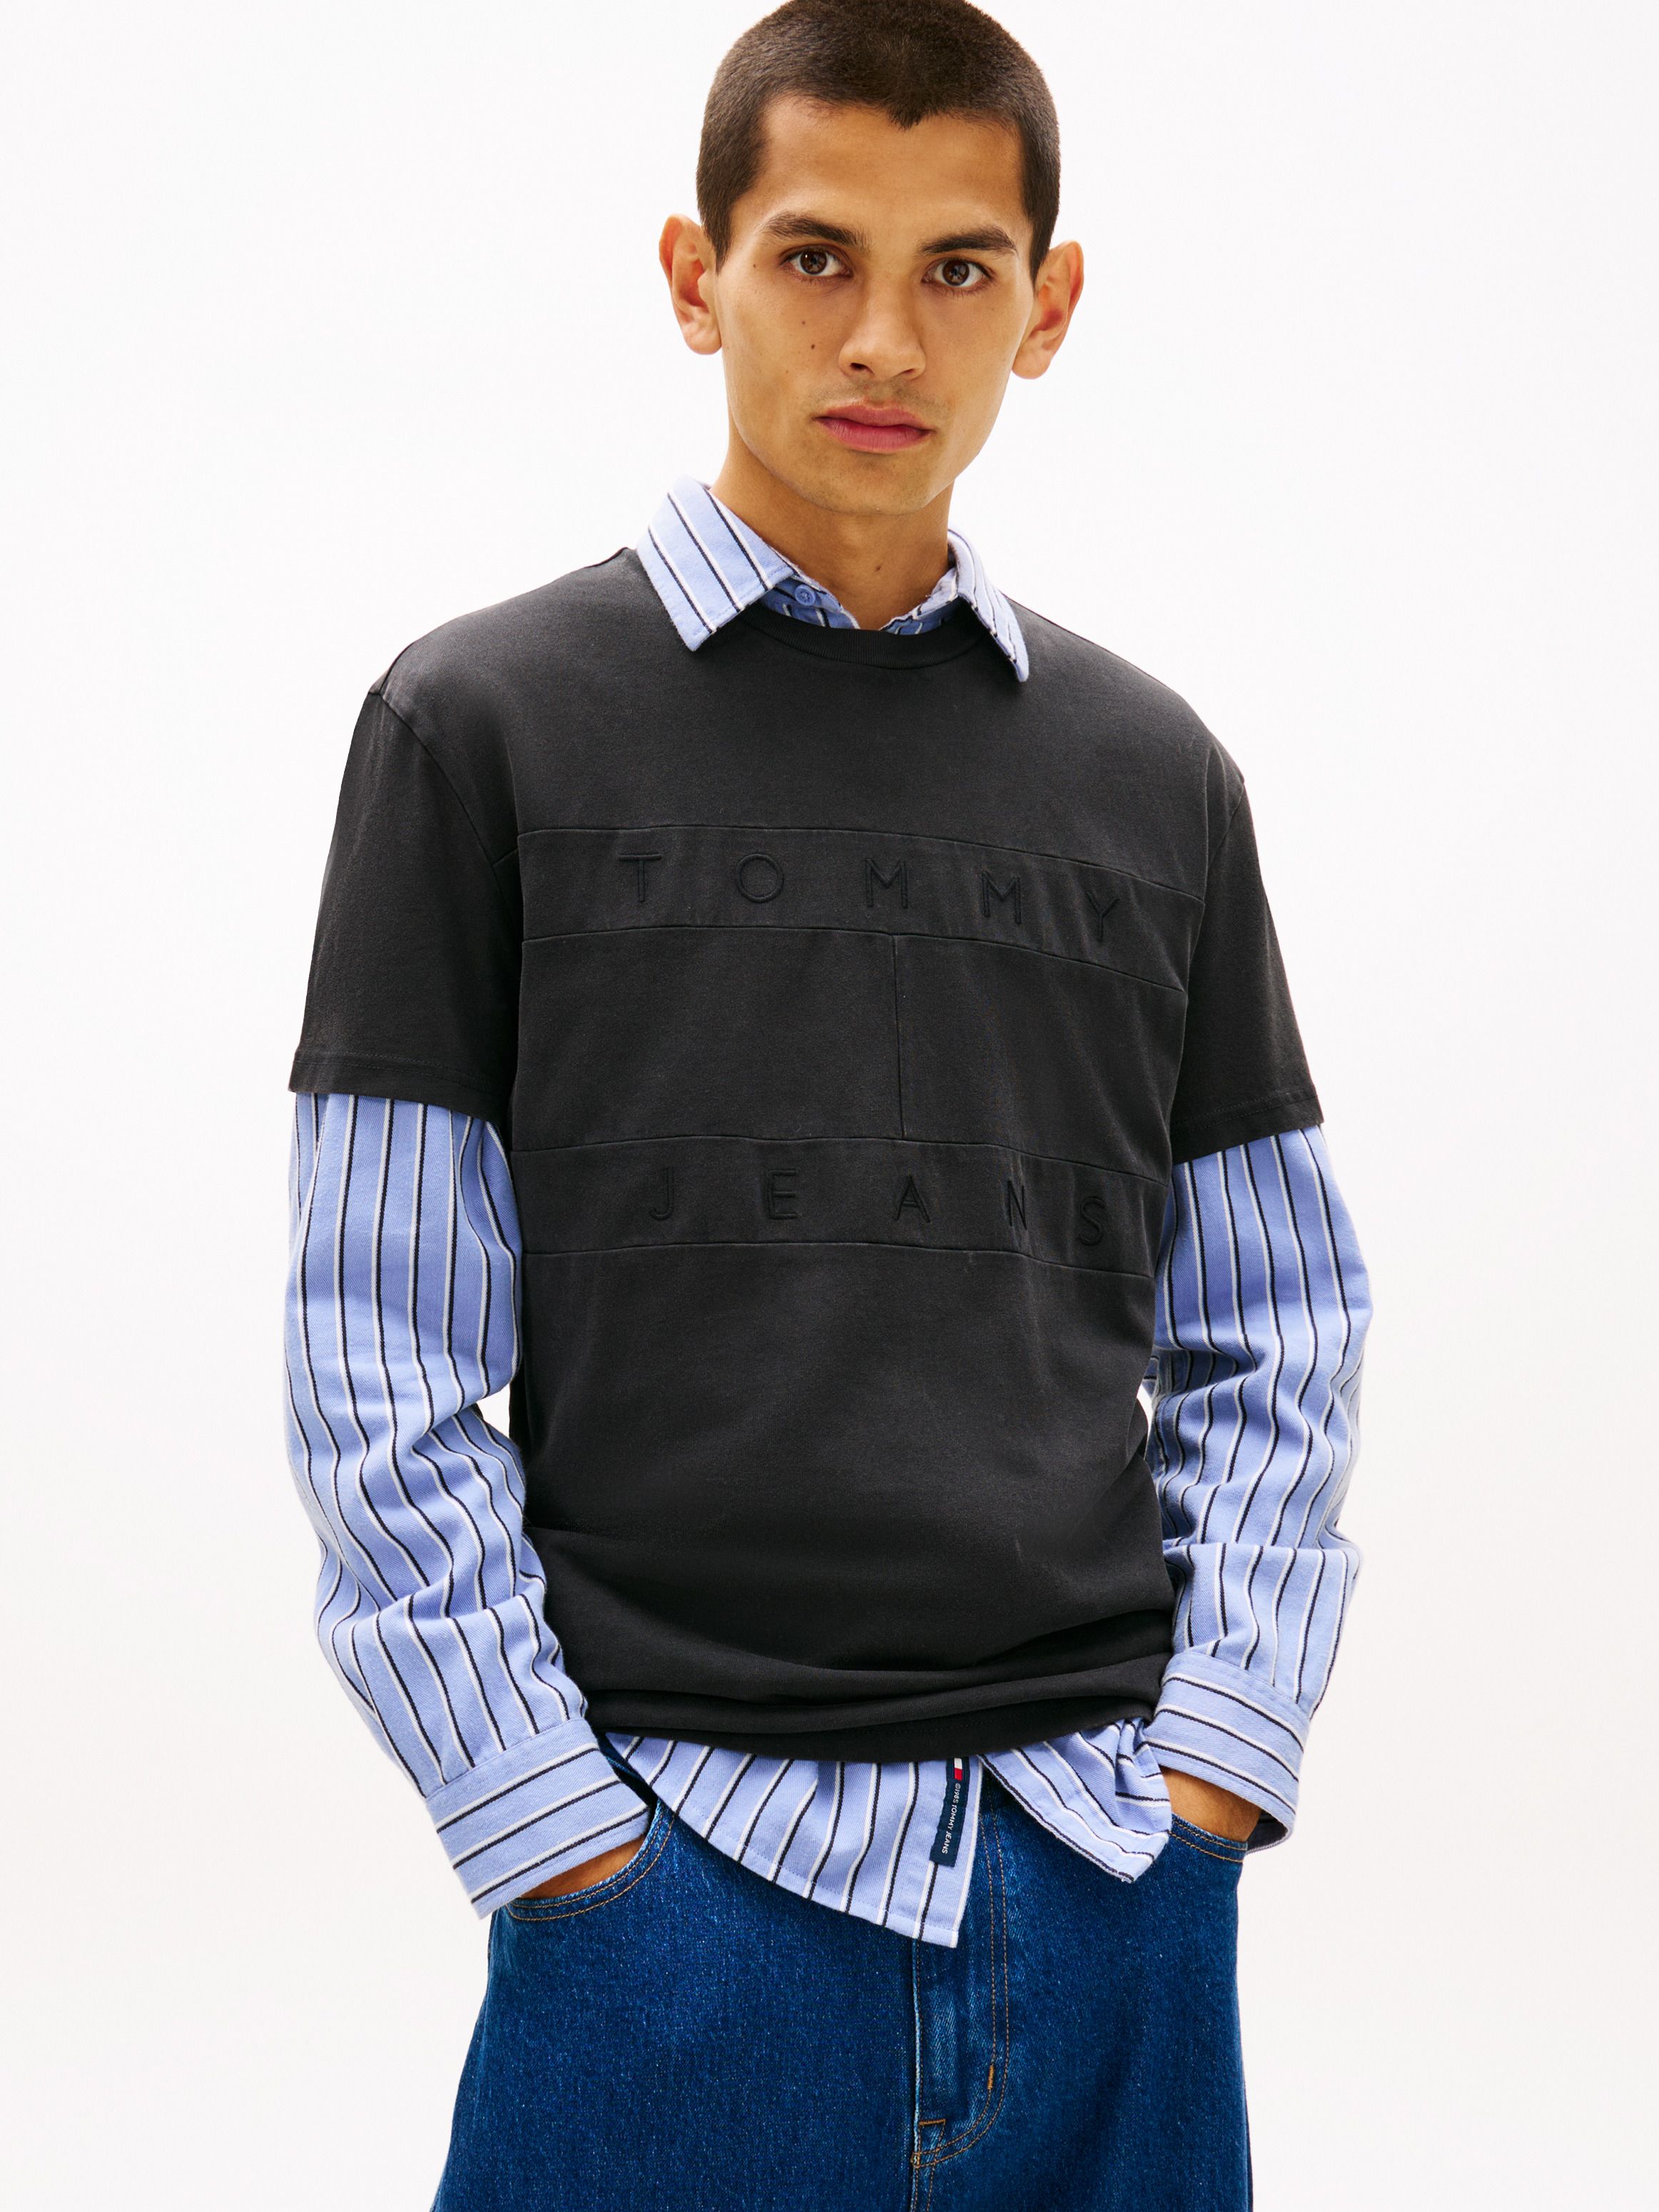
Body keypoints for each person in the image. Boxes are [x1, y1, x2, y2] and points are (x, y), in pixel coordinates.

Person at [284, 3, 1369, 2205]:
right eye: (814, 256)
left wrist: (1214, 1778)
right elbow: (375, 1342)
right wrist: (556, 1839)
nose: (885, 336)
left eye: (959, 266)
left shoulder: (1156, 774)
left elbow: (1283, 1316)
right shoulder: (475, 727)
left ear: (1049, 306)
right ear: (696, 276)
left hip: (1104, 1887)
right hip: (677, 1891)